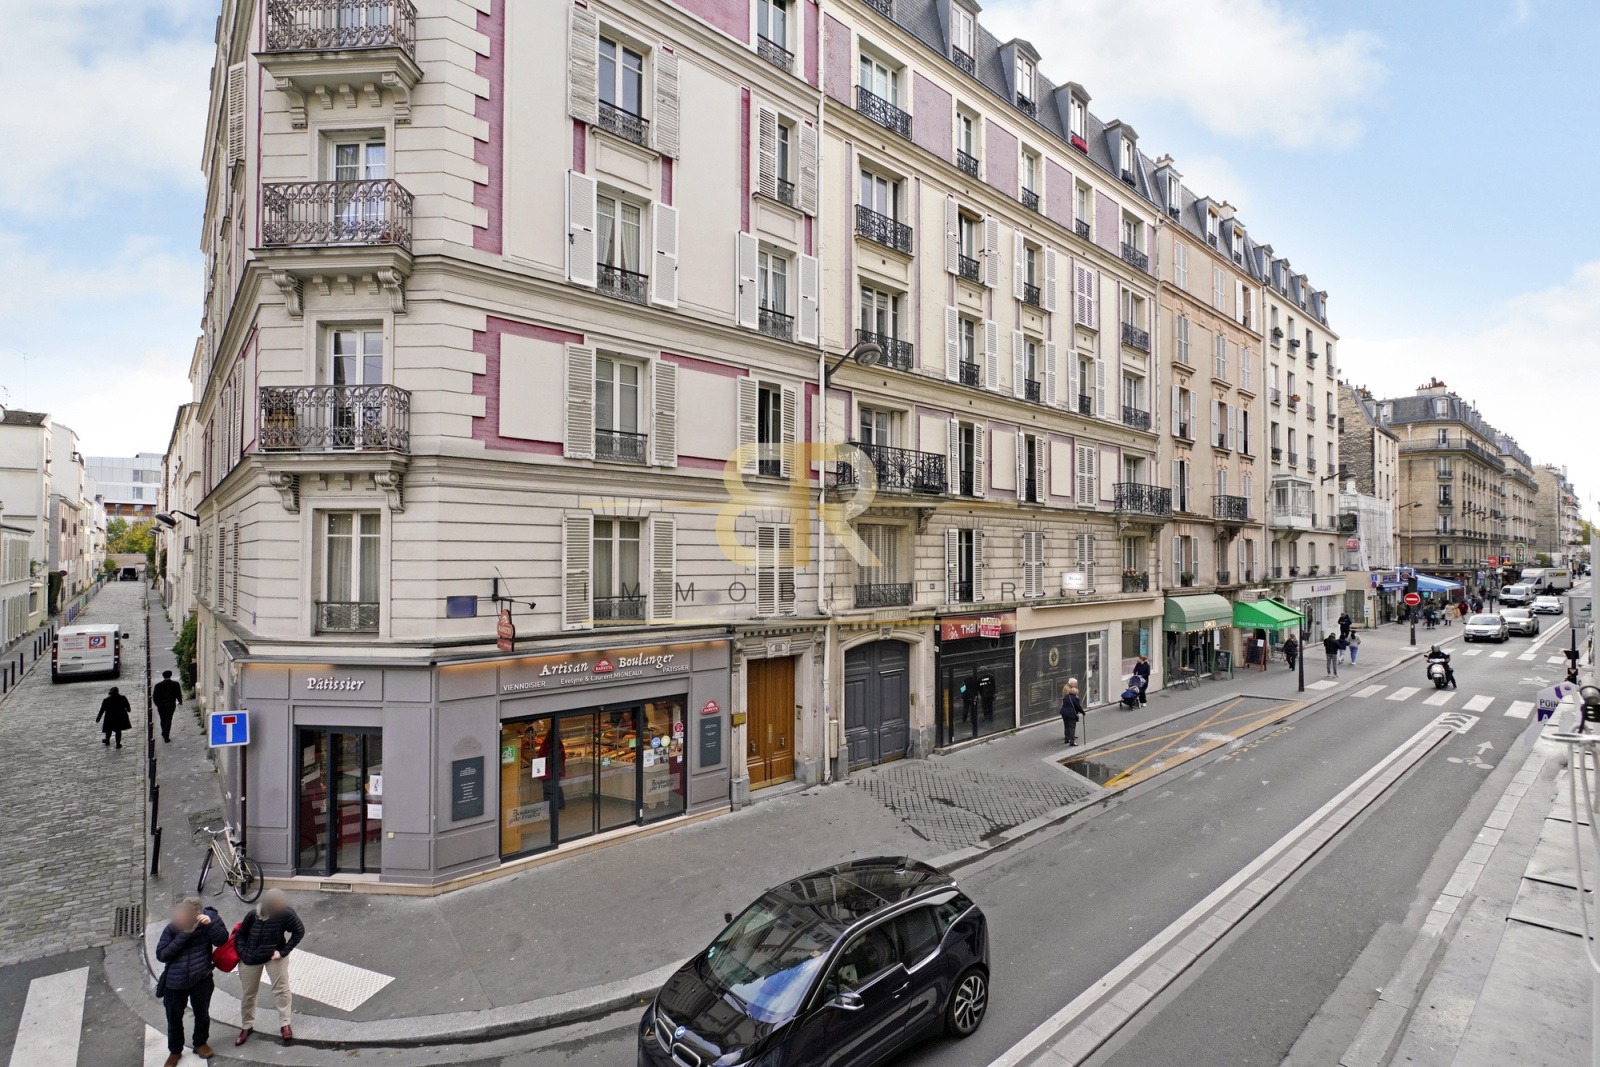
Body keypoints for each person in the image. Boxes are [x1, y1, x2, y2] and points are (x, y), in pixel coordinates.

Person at [155, 896, 226, 1065]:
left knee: (202, 1014)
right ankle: (175, 1051)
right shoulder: (173, 928)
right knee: (174, 1019)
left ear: (196, 915)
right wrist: (184, 934)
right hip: (175, 982)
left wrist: (211, 925)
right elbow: (162, 955)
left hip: (201, 978)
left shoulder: (211, 920)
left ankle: (200, 1043)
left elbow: (222, 940)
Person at [234, 888, 305, 1047]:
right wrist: (243, 953)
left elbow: (299, 931)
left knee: (281, 990)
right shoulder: (253, 914)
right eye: (278, 903)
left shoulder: (286, 914)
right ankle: (246, 1026)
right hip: (250, 959)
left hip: (274, 957)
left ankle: (285, 1024)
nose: (282, 904)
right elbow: (240, 935)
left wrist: (283, 952)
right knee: (249, 994)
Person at [153, 670, 184, 743]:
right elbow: (178, 694)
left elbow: (155, 696)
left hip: (161, 705)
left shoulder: (158, 685)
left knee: (162, 719)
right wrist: (180, 701)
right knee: (169, 719)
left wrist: (157, 704)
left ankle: (163, 732)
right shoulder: (175, 684)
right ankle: (166, 735)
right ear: (171, 675)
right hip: (170, 704)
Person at [1059, 679, 1084, 746]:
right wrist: (1082, 712)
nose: (1076, 685)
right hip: (1071, 714)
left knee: (1066, 726)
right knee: (1072, 727)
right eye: (1075, 684)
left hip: (1064, 713)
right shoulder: (1075, 698)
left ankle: (1066, 739)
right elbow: (1078, 707)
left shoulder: (1066, 697)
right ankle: (1072, 741)